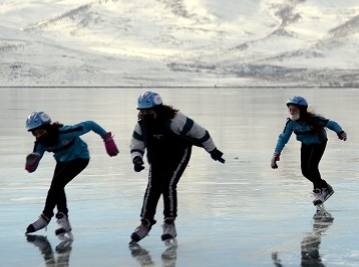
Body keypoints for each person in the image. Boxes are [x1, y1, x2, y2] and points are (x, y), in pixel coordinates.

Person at [129, 91, 225, 243]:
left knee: (168, 185)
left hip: (178, 154)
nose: (145, 114)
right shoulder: (142, 125)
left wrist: (212, 151)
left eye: (149, 111)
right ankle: (145, 222)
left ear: (159, 109)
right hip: (157, 156)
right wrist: (137, 159)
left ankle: (169, 222)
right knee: (153, 187)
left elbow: (201, 133)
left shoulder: (176, 120)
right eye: (143, 111)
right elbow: (137, 143)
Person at [24, 111, 119, 236]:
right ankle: (63, 220)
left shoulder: (64, 132)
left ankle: (46, 217)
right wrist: (30, 164)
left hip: (80, 158)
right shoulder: (41, 144)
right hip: (62, 161)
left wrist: (107, 139)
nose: (39, 136)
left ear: (48, 128)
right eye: (35, 134)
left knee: (56, 185)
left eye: (41, 132)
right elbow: (33, 167)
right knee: (57, 187)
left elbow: (90, 124)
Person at [270, 96, 347, 206]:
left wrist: (340, 132)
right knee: (305, 171)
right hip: (306, 144)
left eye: (295, 110)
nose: (292, 112)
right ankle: (325, 187)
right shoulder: (291, 123)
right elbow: (283, 138)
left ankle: (319, 192)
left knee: (312, 166)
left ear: (302, 110)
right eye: (290, 110)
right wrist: (276, 153)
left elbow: (330, 123)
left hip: (319, 142)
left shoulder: (313, 119)